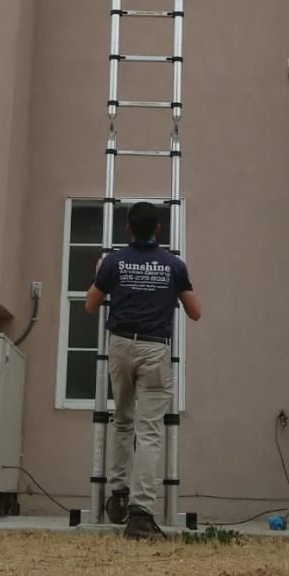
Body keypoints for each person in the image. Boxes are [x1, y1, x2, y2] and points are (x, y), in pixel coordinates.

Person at [85, 201, 201, 540]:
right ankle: (140, 514)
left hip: (120, 346)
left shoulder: (114, 262)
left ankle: (118, 493)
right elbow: (195, 312)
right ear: (159, 230)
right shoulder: (173, 265)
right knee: (149, 431)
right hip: (154, 349)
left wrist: (100, 275)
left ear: (127, 230)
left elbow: (91, 305)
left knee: (121, 419)